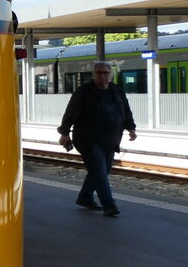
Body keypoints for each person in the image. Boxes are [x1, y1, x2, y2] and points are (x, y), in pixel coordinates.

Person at [57, 62, 136, 216]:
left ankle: (85, 197)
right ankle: (109, 205)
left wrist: (131, 128)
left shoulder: (117, 90)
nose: (102, 76)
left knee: (102, 170)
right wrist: (64, 132)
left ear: (111, 74)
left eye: (106, 73)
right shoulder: (84, 92)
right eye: (99, 73)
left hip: (111, 139)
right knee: (99, 172)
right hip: (88, 139)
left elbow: (126, 111)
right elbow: (71, 112)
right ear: (93, 75)